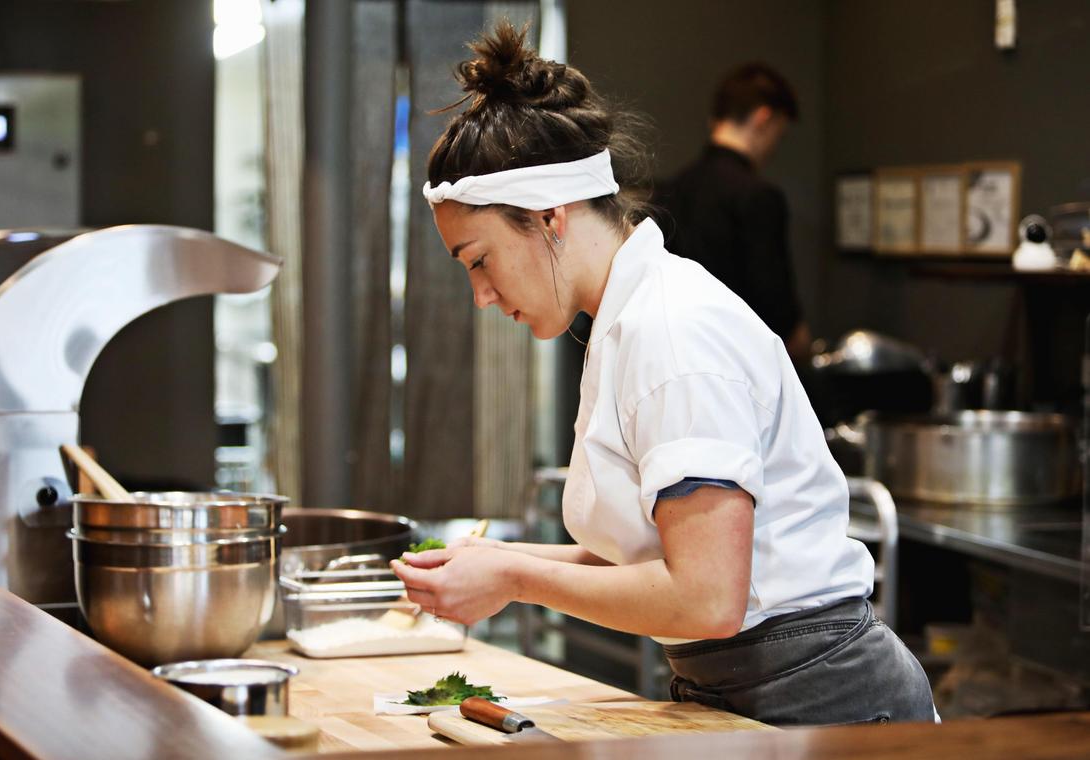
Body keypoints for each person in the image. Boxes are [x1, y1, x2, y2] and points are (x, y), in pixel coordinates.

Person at [390, 21, 935, 727]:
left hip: (826, 701)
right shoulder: (627, 320)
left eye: (479, 260)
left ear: (549, 216)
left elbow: (707, 598)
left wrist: (517, 577)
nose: (482, 296)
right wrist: (494, 561)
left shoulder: (671, 331)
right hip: (748, 690)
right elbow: (654, 557)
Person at [657, 63, 812, 361]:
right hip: (739, 366)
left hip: (677, 359)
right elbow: (778, 310)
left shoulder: (670, 190)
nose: (773, 148)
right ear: (763, 120)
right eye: (778, 136)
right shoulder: (758, 196)